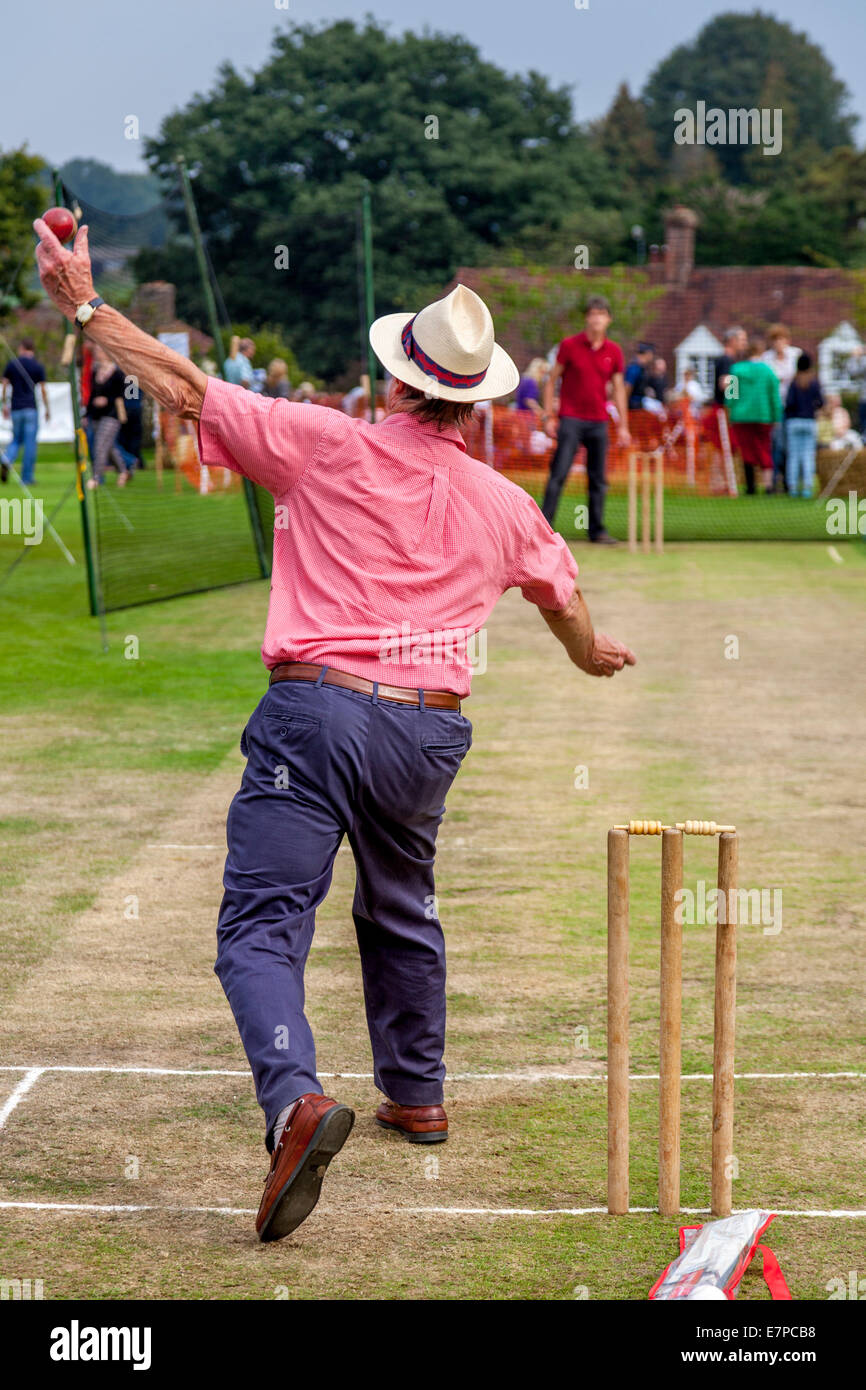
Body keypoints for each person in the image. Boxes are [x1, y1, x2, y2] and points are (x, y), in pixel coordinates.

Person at [33, 220, 636, 1242]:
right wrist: (588, 655)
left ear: (397, 380)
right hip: (426, 734)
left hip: (315, 713)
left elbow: (183, 388)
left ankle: (294, 1101)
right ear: (471, 400)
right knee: (401, 908)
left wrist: (85, 307)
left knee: (261, 925)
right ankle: (419, 1095)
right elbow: (562, 600)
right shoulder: (501, 501)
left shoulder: (327, 441)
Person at [540, 295, 631, 542]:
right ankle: (543, 531)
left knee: (599, 478)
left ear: (608, 319)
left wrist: (624, 426)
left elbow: (619, 389)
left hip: (599, 421)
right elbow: (550, 380)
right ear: (586, 319)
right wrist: (548, 416)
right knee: (559, 473)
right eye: (592, 314)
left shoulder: (614, 351)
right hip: (571, 419)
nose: (596, 319)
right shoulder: (569, 346)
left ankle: (597, 530)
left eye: (601, 314)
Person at [728, 339, 782, 495]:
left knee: (746, 449)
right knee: (765, 448)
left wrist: (730, 410)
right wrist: (776, 416)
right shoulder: (768, 371)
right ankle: (768, 486)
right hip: (763, 416)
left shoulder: (736, 369)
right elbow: (774, 397)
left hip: (741, 416)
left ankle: (750, 486)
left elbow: (730, 395)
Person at [1, 338, 50, 485]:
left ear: (22, 348)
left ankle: (6, 459)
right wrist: (47, 409)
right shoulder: (37, 366)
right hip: (30, 408)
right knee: (30, 443)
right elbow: (43, 389)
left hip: (16, 408)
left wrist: (4, 404)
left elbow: (4, 384)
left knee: (16, 439)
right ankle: (27, 478)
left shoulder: (12, 364)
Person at [762, 325, 801, 493]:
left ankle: (789, 480)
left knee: (789, 445)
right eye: (775, 340)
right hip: (774, 408)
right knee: (776, 444)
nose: (779, 343)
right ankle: (774, 481)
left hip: (792, 407)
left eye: (781, 339)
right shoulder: (766, 359)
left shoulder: (796, 355)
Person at [83, 345, 130, 488]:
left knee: (99, 445)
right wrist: (87, 414)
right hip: (97, 415)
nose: (97, 354)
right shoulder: (95, 371)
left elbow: (124, 395)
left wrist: (107, 400)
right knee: (109, 447)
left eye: (99, 351)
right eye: (96, 351)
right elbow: (92, 395)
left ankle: (96, 477)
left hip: (112, 414)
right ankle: (123, 471)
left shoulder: (118, 373)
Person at [784, 353, 823, 498]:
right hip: (809, 422)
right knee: (808, 456)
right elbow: (820, 402)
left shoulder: (794, 383)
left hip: (794, 422)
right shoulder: (814, 382)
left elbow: (789, 403)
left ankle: (793, 487)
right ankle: (807, 487)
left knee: (793, 456)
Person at [624, 343, 654, 407]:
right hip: (632, 405)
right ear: (648, 353)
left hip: (639, 403)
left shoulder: (642, 368)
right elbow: (628, 386)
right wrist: (624, 405)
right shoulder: (634, 368)